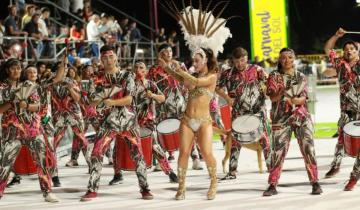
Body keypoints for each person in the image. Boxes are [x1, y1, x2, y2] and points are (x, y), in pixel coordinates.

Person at [80, 45, 153, 201]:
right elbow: (91, 101)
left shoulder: (127, 76)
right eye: (105, 58)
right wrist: (99, 100)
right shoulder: (95, 78)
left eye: (111, 57)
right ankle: (92, 189)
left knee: (138, 155)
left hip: (129, 122)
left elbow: (129, 99)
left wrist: (111, 101)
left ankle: (145, 188)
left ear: (116, 58)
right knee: (96, 153)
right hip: (107, 123)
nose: (108, 60)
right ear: (101, 59)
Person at [158, 47, 218, 200]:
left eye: (197, 61)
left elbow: (197, 82)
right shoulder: (192, 75)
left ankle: (213, 183)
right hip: (187, 120)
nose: (194, 63)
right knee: (183, 153)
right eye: (193, 61)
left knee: (206, 153)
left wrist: (181, 70)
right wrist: (167, 68)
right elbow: (180, 78)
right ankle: (181, 186)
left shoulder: (212, 77)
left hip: (204, 122)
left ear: (205, 60)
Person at [263, 48, 322, 196]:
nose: (287, 60)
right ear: (279, 59)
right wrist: (284, 92)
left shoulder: (300, 76)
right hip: (281, 119)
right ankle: (272, 184)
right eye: (283, 58)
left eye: (290, 57)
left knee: (308, 148)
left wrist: (296, 100)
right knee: (278, 152)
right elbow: (273, 98)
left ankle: (315, 182)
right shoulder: (274, 76)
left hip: (301, 117)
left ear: (294, 58)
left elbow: (303, 97)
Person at [109, 61, 178, 185]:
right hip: (128, 121)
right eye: (135, 67)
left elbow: (162, 98)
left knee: (155, 147)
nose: (138, 69)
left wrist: (152, 95)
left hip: (146, 122)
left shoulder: (150, 84)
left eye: (141, 67)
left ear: (145, 71)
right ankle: (117, 174)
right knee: (117, 147)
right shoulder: (127, 85)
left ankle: (170, 172)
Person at [0, 58, 59, 202]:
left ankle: (47, 192)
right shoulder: (2, 88)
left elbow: (38, 107)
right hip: (11, 132)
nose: (17, 71)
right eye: (13, 68)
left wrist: (26, 105)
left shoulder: (29, 85)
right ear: (7, 70)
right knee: (5, 164)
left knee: (42, 161)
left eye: (19, 68)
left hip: (33, 129)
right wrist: (12, 102)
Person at [217, 47, 271, 180]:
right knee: (236, 140)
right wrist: (227, 98)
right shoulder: (227, 74)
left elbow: (268, 82)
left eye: (242, 60)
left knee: (264, 138)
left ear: (246, 58)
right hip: (238, 112)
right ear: (233, 61)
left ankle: (272, 168)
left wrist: (266, 92)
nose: (239, 63)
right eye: (237, 61)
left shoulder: (256, 69)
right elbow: (217, 87)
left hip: (257, 110)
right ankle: (232, 172)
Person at [323, 27, 360, 190]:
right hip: (346, 110)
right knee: (341, 139)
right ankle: (336, 165)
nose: (349, 51)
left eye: (352, 49)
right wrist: (336, 35)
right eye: (346, 49)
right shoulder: (339, 64)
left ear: (357, 51)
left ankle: (354, 177)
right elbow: (328, 49)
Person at [147, 44, 187, 162]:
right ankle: (164, 156)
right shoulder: (154, 69)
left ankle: (194, 154)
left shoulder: (179, 65)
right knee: (163, 128)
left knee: (185, 127)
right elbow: (150, 85)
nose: (169, 53)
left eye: (170, 51)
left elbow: (187, 82)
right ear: (160, 54)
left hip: (179, 102)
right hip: (163, 105)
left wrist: (187, 99)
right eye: (165, 51)